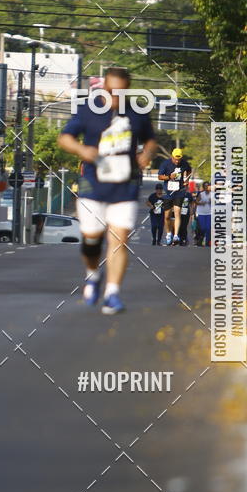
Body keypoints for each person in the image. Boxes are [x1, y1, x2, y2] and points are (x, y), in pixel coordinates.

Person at [58, 67, 157, 314]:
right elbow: (65, 137)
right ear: (103, 88)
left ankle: (112, 293)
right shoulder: (88, 110)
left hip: (125, 186)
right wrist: (82, 151)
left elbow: (151, 139)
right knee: (92, 241)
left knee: (119, 241)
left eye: (121, 93)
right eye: (112, 92)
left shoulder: (137, 113)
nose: (116, 97)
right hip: (93, 186)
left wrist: (146, 154)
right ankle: (93, 275)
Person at [158, 147, 192, 246]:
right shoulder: (165, 164)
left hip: (179, 191)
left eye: (179, 159)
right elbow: (160, 176)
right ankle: (169, 234)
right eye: (175, 159)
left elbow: (189, 171)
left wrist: (187, 180)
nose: (177, 161)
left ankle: (176, 235)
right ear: (172, 157)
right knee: (167, 216)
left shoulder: (184, 163)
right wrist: (169, 177)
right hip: (168, 193)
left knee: (177, 212)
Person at [196, 181, 212, 246]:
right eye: (205, 186)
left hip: (210, 213)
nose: (206, 187)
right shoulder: (201, 194)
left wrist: (212, 202)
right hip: (201, 213)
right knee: (203, 228)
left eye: (207, 186)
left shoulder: (212, 194)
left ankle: (207, 242)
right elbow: (196, 202)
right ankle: (202, 239)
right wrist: (201, 203)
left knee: (208, 228)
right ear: (203, 187)